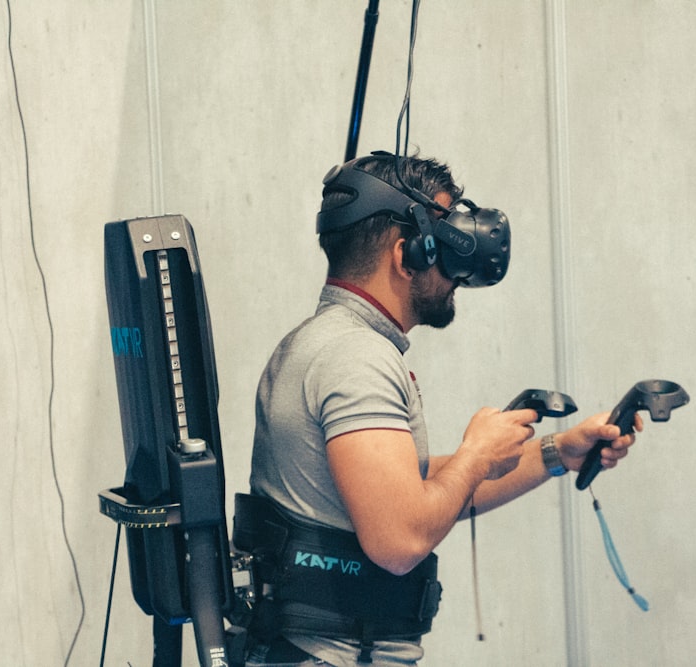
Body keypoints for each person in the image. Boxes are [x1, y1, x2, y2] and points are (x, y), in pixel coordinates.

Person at [236, 152, 640, 667]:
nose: (457, 276)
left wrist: (559, 452)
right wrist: (473, 455)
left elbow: (418, 497)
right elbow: (402, 538)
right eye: (447, 251)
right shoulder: (356, 358)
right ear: (407, 255)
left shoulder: (329, 343)